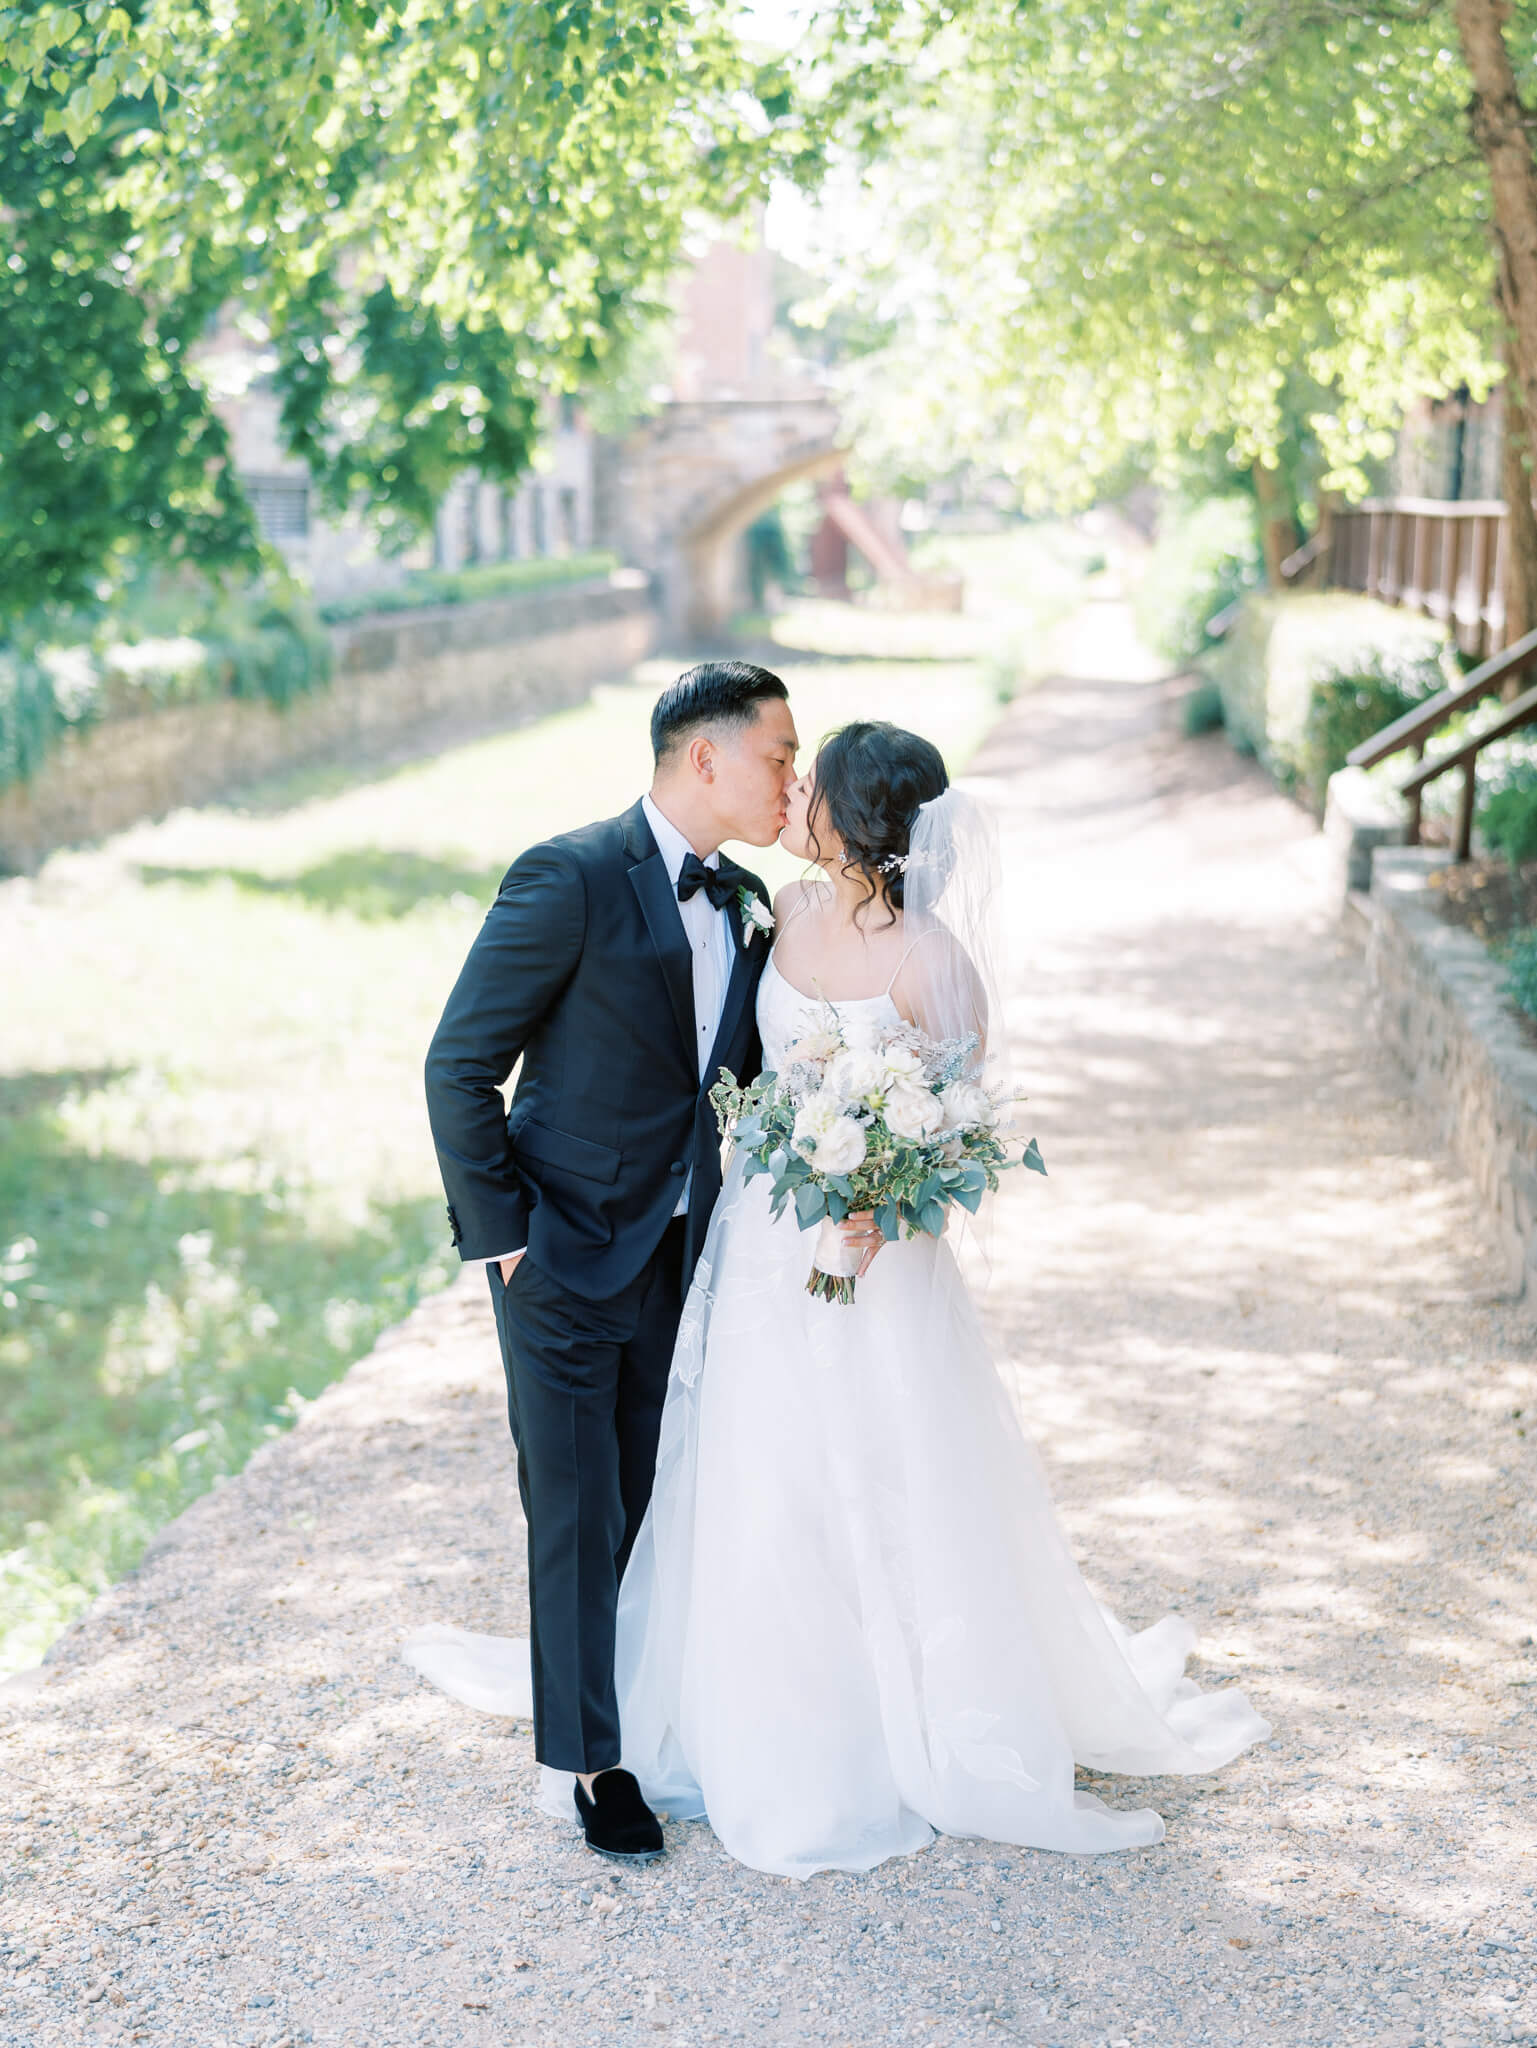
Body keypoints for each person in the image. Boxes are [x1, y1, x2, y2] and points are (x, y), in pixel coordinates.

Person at [612, 720, 1270, 1876]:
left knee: (888, 1467)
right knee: (764, 1471)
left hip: (883, 1272)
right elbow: (754, 1076)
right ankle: (766, 1705)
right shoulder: (783, 918)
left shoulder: (934, 962)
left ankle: (908, 1711)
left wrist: (880, 1206)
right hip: (769, 1247)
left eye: (810, 786)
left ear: (859, 819)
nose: (793, 794)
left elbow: (959, 1146)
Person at [420, 660, 858, 1863]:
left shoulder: (755, 899)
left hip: (687, 1256)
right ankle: (589, 1762)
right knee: (572, 1507)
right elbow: (458, 1064)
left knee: (655, 1496)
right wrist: (505, 1240)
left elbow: (758, 1079)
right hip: (556, 1254)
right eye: (779, 753)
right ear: (703, 757)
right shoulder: (565, 874)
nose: (792, 776)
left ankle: (652, 1707)